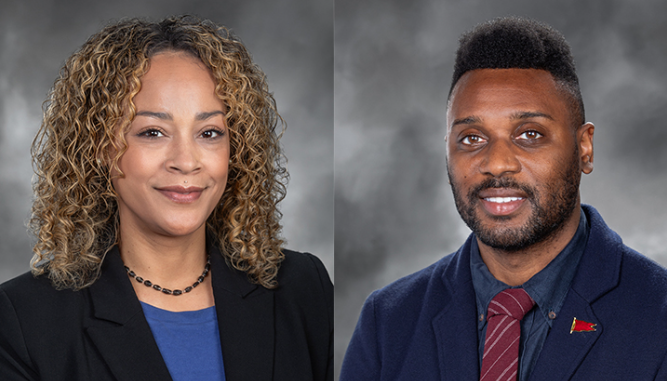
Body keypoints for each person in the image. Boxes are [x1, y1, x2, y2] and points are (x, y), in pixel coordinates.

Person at [0, 16, 332, 381]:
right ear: (98, 148)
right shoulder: (23, 321)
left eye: (209, 132)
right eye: (153, 132)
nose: (186, 161)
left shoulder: (303, 290)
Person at [340, 16, 667, 380]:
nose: (496, 163)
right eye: (472, 138)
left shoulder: (659, 317)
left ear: (584, 148)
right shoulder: (388, 323)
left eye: (530, 134)